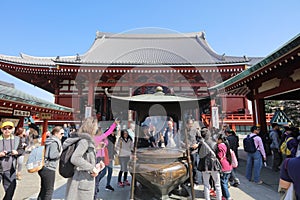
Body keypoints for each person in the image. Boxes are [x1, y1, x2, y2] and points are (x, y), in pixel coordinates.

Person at [64, 117, 104, 200]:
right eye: (95, 127)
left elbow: (85, 160)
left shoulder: (85, 140)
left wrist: (96, 166)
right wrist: (92, 168)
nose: (96, 129)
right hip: (81, 181)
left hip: (82, 180)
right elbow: (75, 158)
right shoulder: (84, 141)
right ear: (91, 127)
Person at [94, 120, 119, 199]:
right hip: (98, 159)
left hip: (102, 158)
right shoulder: (98, 138)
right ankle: (94, 194)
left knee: (98, 176)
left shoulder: (100, 139)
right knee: (98, 176)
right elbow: (108, 132)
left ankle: (95, 192)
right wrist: (114, 124)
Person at [37, 126, 63, 200]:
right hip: (49, 168)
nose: (63, 135)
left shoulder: (49, 140)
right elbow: (52, 155)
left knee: (44, 189)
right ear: (56, 133)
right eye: (61, 133)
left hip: (43, 166)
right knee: (49, 190)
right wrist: (61, 153)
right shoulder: (54, 142)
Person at [0, 121, 24, 200]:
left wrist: (16, 152)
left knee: (10, 190)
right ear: (1, 130)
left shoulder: (17, 139)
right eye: (5, 128)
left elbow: (21, 150)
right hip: (0, 167)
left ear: (13, 129)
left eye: (9, 128)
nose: (7, 130)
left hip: (10, 169)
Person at [197, 128, 222, 200]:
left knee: (206, 184)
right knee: (217, 184)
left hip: (204, 165)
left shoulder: (201, 144)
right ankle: (219, 198)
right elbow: (217, 153)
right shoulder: (214, 143)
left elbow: (199, 154)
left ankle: (207, 198)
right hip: (213, 164)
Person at [181, 118, 201, 185]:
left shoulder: (195, 130)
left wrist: (197, 144)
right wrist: (184, 144)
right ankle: (187, 180)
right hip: (186, 150)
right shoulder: (183, 131)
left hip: (194, 151)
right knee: (186, 166)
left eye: (191, 124)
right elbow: (180, 139)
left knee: (194, 166)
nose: (190, 125)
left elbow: (200, 139)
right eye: (189, 124)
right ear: (186, 124)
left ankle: (195, 181)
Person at [216, 134, 233, 200]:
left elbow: (220, 156)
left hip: (223, 166)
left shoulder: (220, 146)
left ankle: (228, 197)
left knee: (223, 183)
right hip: (228, 165)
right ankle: (225, 196)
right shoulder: (226, 145)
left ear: (220, 140)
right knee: (225, 181)